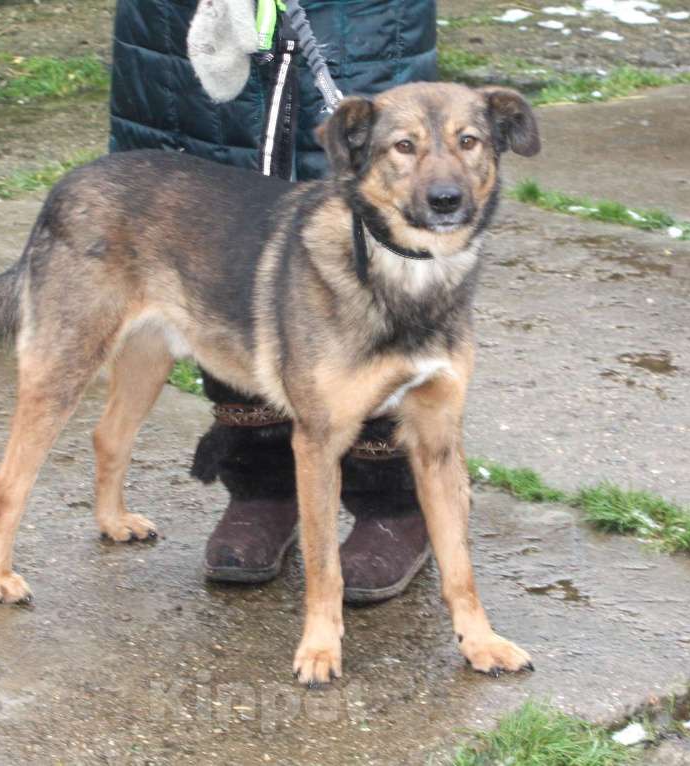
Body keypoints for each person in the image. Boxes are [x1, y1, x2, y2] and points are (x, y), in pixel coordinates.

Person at [109, 0, 437, 603]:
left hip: (350, 22)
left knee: (371, 244)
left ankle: (390, 500)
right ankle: (262, 483)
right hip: (197, 30)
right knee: (210, 250)